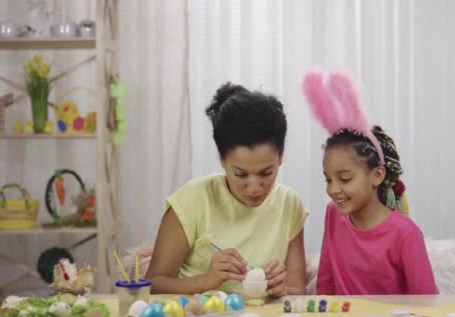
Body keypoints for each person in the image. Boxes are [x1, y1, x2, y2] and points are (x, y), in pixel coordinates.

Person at [145, 83, 308, 297]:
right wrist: (207, 280)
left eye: (266, 173)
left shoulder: (289, 204)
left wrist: (282, 289)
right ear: (222, 159)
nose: (254, 187)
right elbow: (152, 284)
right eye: (240, 174)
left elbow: (298, 291)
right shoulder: (194, 198)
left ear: (281, 157)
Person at [302, 71, 437, 295]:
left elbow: (427, 301)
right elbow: (325, 284)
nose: (333, 189)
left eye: (345, 179)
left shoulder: (405, 234)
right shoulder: (334, 213)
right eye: (328, 179)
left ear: (377, 175)